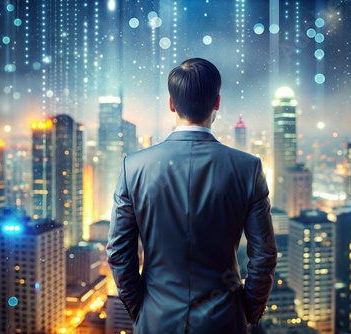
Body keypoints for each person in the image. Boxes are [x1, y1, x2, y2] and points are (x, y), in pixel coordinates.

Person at [107, 58, 277, 333]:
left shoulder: (134, 167)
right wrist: (245, 312)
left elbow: (118, 253)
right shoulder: (247, 168)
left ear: (171, 104)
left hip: (156, 320)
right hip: (224, 321)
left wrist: (142, 311)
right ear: (217, 103)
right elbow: (264, 255)